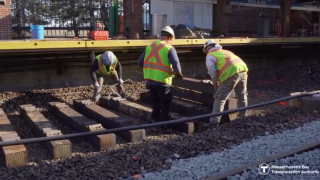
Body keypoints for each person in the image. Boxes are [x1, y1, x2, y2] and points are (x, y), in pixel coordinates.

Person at [138, 26, 183, 129]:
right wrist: (179, 73)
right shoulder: (169, 48)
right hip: (163, 81)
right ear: (170, 37)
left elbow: (140, 62)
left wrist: (151, 70)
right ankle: (164, 126)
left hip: (150, 81)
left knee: (155, 103)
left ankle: (154, 122)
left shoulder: (150, 47)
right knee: (165, 104)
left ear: (161, 36)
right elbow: (175, 63)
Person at [203, 40, 248, 127]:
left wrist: (215, 85)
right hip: (243, 70)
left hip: (230, 73)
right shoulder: (226, 51)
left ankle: (214, 122)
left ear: (207, 48)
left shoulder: (210, 55)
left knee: (219, 98)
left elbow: (212, 72)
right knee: (242, 95)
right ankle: (243, 118)